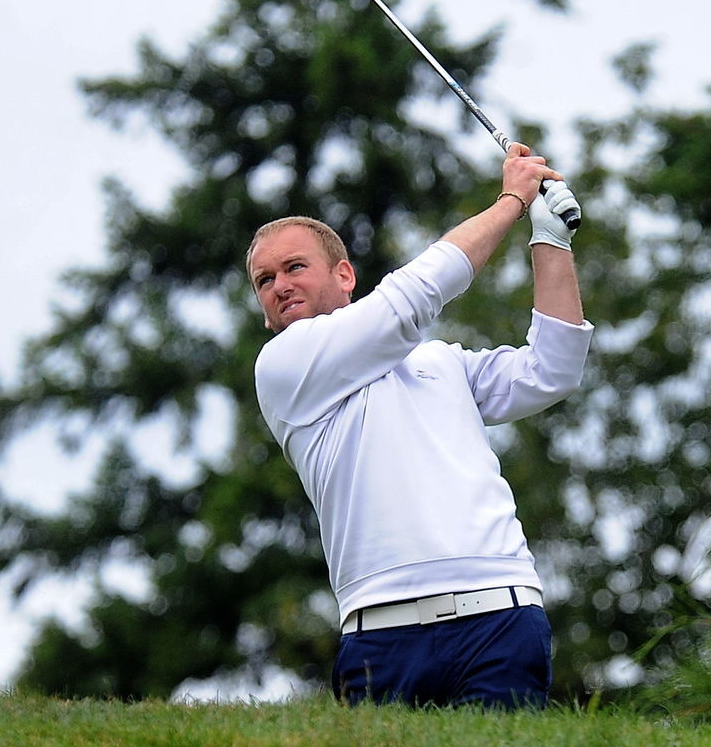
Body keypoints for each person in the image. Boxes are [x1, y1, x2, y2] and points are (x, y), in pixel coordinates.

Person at [247, 143, 592, 709]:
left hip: (499, 613)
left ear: (343, 274)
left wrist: (550, 242)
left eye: (294, 267)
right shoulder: (283, 368)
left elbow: (550, 370)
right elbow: (408, 302)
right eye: (264, 280)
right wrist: (511, 202)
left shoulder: (441, 362)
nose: (280, 285)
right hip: (379, 632)